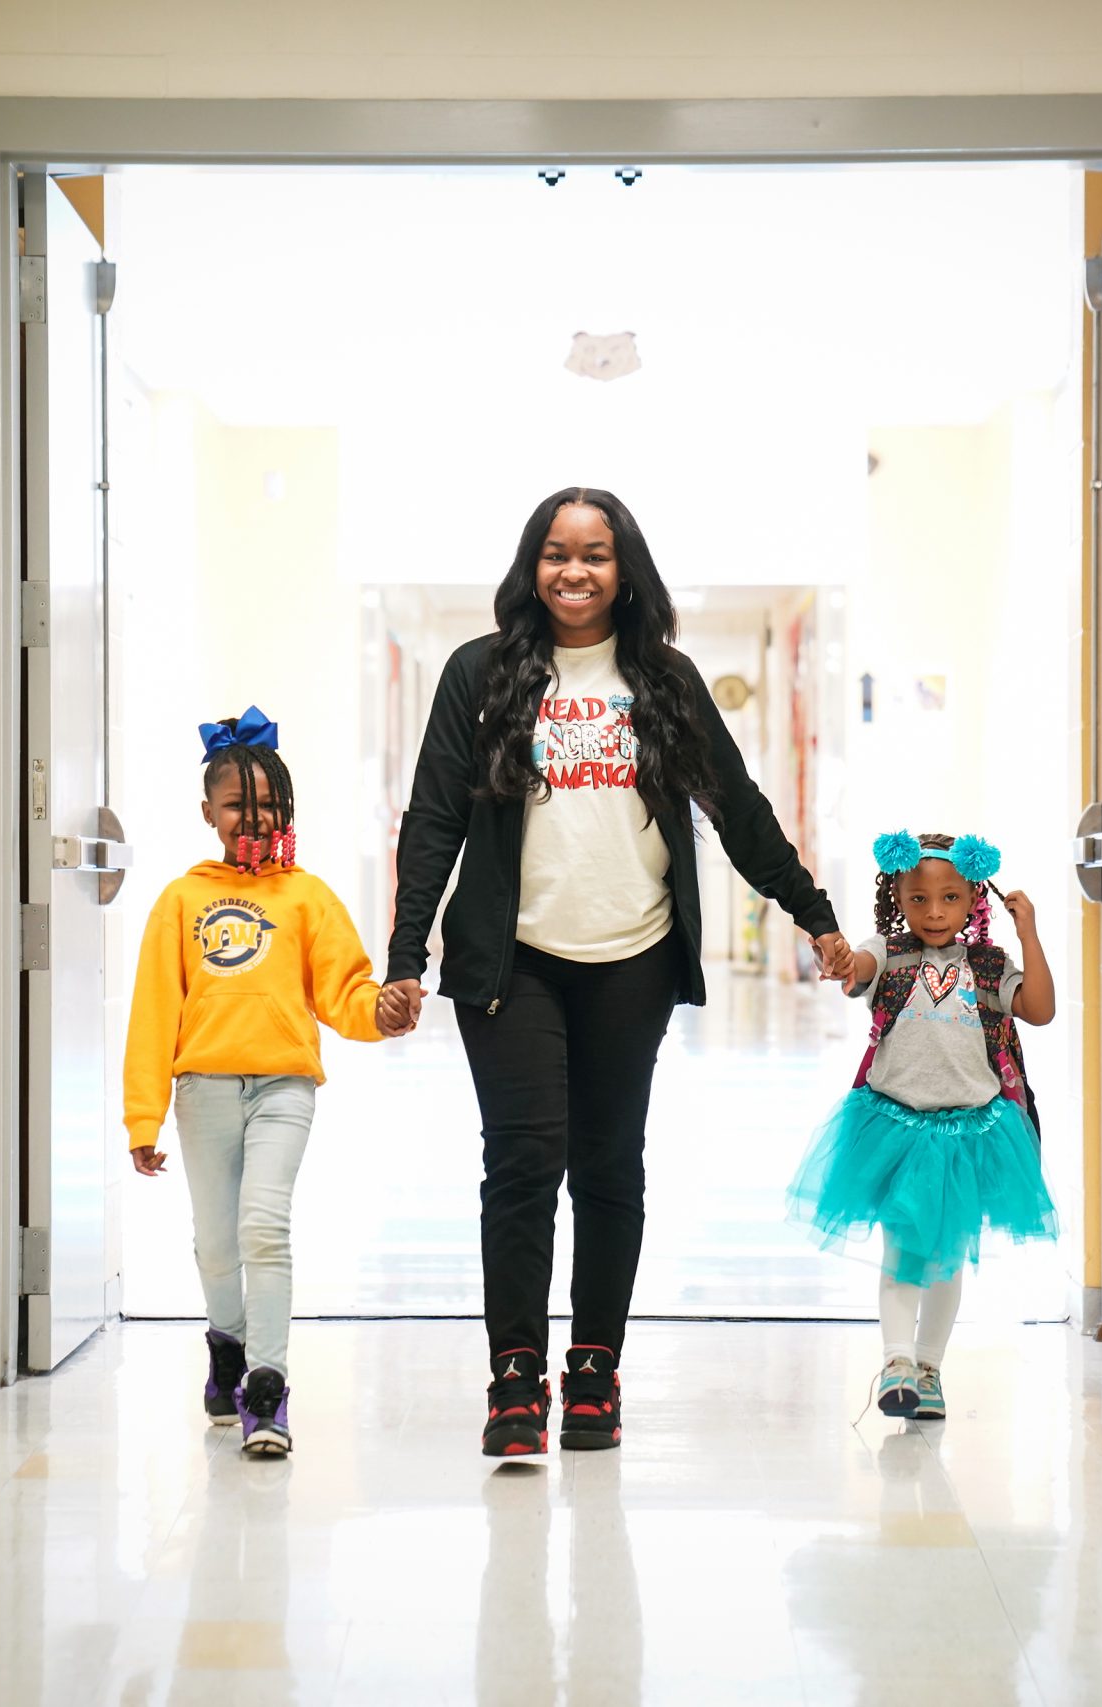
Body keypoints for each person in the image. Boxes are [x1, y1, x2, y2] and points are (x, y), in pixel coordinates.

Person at [382, 487, 853, 1459]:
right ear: (532, 566)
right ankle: (515, 1376)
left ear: (624, 568)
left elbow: (736, 808)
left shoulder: (663, 681)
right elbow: (433, 818)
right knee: (521, 1165)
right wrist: (405, 956)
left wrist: (812, 914)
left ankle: (594, 1369)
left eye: (594, 554)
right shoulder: (479, 673)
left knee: (607, 1166)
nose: (575, 571)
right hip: (508, 959)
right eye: (557, 553)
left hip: (631, 956)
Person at [123, 708, 417, 1458]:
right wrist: (142, 1117)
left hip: (284, 1086)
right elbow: (154, 1011)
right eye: (235, 805)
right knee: (217, 1244)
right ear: (207, 813)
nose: (252, 819)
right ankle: (226, 1345)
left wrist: (379, 1012)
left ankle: (267, 1385)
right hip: (203, 1092)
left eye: (267, 805)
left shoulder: (308, 897)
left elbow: (344, 992)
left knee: (263, 1226)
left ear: (287, 807)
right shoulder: (181, 900)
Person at [789, 831, 1058, 1421]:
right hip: (897, 1132)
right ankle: (897, 1362)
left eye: (950, 898)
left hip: (970, 1137)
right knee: (904, 1250)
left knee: (948, 1257)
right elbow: (855, 970)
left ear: (973, 899)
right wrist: (838, 957)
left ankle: (929, 1369)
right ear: (897, 899)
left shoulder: (989, 966)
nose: (934, 912)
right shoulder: (887, 955)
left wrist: (1029, 934)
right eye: (918, 899)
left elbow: (1039, 1009)